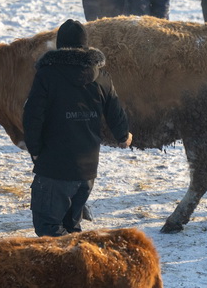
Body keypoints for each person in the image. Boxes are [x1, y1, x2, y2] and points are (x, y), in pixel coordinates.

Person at [23, 19, 131, 237]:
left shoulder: (47, 75)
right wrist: (123, 135)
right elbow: (115, 111)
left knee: (49, 231)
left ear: (60, 45)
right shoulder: (101, 77)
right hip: (87, 171)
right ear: (85, 45)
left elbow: (32, 116)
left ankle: (64, 269)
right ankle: (77, 267)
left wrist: (35, 148)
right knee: (72, 229)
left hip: (54, 169)